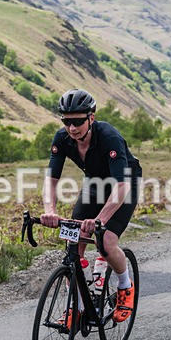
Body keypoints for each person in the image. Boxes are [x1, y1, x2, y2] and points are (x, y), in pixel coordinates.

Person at [41, 88, 142, 324]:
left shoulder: (109, 137)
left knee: (105, 241)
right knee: (72, 243)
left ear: (91, 118)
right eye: (66, 121)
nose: (72, 128)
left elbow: (121, 187)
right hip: (95, 183)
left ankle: (126, 287)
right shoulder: (62, 138)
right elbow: (51, 180)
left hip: (124, 184)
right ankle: (74, 307)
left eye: (77, 121)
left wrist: (100, 220)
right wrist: (50, 211)